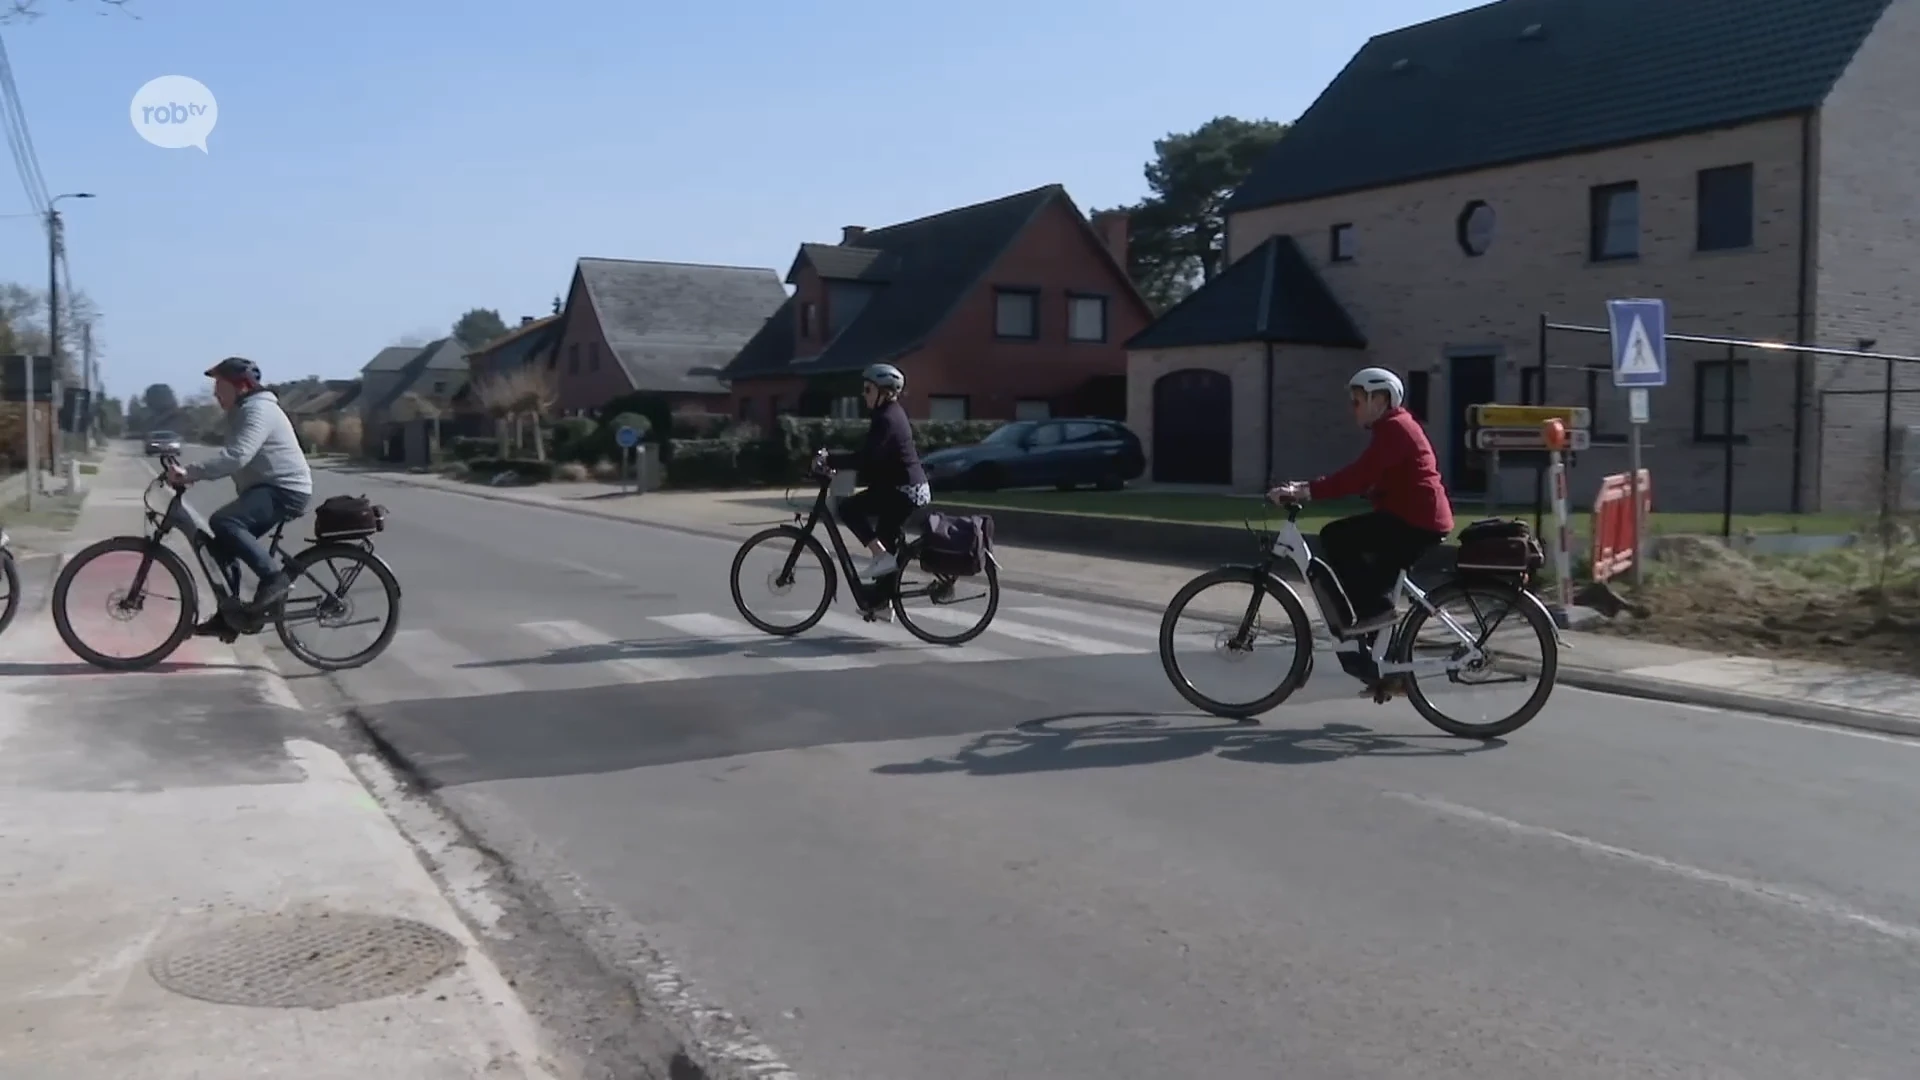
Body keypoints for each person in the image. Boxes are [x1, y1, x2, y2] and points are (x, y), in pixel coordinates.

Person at [1268, 367, 1453, 638]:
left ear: (1378, 400)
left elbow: (1360, 475)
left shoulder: (1396, 428)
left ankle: (1373, 615)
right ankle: (1387, 672)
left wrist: (1306, 491)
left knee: (1336, 537)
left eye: (1357, 401)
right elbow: (1372, 477)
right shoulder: (1394, 427)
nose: (1353, 409)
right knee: (1374, 588)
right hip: (1415, 517)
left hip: (1416, 521)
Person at [163, 357, 314, 636]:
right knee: (220, 548)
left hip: (285, 489)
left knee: (225, 522)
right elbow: (233, 459)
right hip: (267, 488)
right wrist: (194, 474)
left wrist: (192, 473)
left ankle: (274, 578)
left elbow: (236, 456)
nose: (215, 393)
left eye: (220, 386)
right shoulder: (243, 411)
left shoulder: (259, 411)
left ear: (241, 386)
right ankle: (229, 617)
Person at [818, 363, 929, 586]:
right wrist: (838, 462)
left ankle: (879, 557)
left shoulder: (887, 419)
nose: (864, 394)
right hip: (901, 488)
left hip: (905, 491)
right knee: (887, 546)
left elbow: (866, 458)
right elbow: (871, 459)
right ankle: (883, 604)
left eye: (868, 389)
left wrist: (830, 459)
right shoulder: (887, 414)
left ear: (884, 392)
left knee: (847, 508)